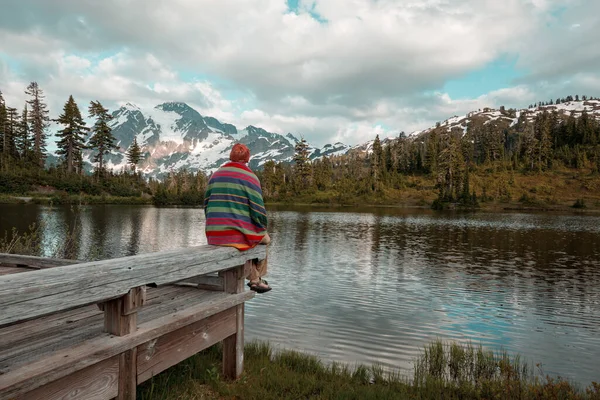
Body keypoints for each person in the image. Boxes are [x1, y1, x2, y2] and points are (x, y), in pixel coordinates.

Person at [204, 143, 272, 293]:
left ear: (230, 157)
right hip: (236, 236)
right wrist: (261, 229)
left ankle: (255, 280)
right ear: (247, 159)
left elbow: (206, 205)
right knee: (264, 240)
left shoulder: (215, 175)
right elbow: (259, 212)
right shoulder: (250, 177)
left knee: (246, 242)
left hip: (214, 235)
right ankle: (257, 278)